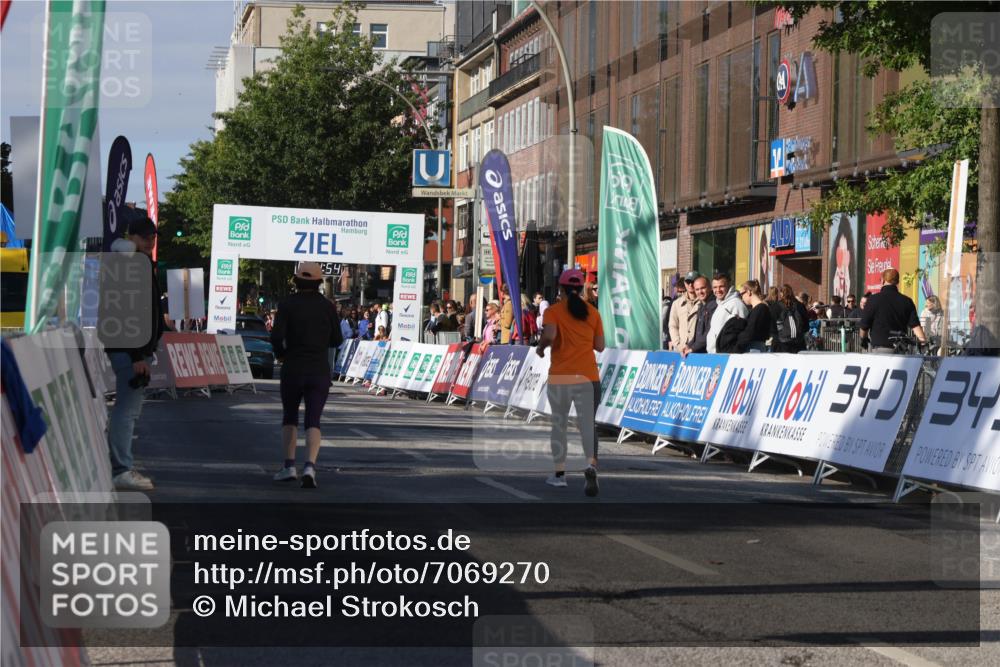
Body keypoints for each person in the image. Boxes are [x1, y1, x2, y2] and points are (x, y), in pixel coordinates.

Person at [105, 216, 164, 491]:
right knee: (126, 412)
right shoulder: (131, 266)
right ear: (134, 238)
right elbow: (128, 312)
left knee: (128, 411)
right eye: (146, 237)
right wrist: (137, 355)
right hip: (131, 352)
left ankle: (121, 465)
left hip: (133, 350)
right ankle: (121, 468)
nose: (151, 241)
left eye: (153, 237)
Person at [270, 262, 343, 488]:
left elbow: (276, 336)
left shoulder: (287, 304)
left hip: (293, 367)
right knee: (314, 420)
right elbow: (337, 340)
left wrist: (282, 354)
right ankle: (310, 467)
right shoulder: (328, 306)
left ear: (296, 281)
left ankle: (289, 466)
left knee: (290, 417)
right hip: (319, 370)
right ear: (320, 282)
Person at [536, 269, 605, 497]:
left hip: (561, 376)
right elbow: (600, 346)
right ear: (582, 287)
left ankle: (559, 475)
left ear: (561, 289)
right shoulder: (593, 313)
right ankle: (591, 465)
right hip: (588, 377)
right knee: (588, 425)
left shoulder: (553, 312)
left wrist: (540, 347)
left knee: (560, 425)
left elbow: (550, 335)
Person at [859, 268, 927, 353]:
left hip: (879, 350)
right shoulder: (907, 301)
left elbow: (864, 325)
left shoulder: (873, 299)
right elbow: (915, 325)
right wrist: (923, 342)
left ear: (882, 280)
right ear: (897, 282)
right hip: (900, 350)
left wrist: (863, 339)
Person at [706, 273, 749, 354]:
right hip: (715, 355)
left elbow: (741, 336)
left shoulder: (736, 304)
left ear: (729, 286)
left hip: (726, 357)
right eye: (715, 287)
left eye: (721, 286)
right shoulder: (719, 304)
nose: (718, 290)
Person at [682, 276, 716, 356]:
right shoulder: (701, 305)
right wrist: (689, 345)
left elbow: (709, 332)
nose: (700, 292)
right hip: (699, 352)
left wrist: (693, 348)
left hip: (708, 354)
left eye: (703, 288)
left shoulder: (714, 305)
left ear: (709, 287)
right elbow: (698, 333)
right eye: (697, 289)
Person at [770, 284, 809, 353]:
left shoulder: (776, 306)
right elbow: (806, 326)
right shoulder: (800, 306)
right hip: (798, 344)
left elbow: (772, 326)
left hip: (780, 344)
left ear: (781, 293)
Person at [736, 280, 772, 352]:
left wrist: (736, 342)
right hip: (754, 347)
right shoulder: (758, 308)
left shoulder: (760, 308)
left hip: (755, 348)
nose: (741, 298)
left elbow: (750, 331)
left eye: (742, 294)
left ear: (749, 292)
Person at [669, 271, 700, 351]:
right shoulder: (677, 303)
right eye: (688, 282)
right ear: (685, 283)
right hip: (680, 349)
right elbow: (673, 325)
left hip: (698, 349)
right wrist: (678, 344)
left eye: (693, 282)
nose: (690, 284)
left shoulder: (705, 302)